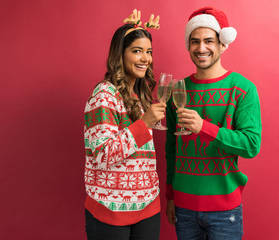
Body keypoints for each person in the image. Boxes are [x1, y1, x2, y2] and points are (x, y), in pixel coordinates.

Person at [165, 7, 262, 240]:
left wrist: (204, 128)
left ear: (222, 45)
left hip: (225, 211)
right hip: (183, 207)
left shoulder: (243, 89)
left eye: (209, 40)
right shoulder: (177, 90)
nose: (201, 48)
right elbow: (171, 150)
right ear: (188, 46)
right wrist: (170, 196)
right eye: (194, 41)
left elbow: (251, 145)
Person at [84, 9, 165, 240]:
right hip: (111, 209)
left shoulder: (139, 96)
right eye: (137, 51)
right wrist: (145, 123)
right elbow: (101, 155)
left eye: (148, 52)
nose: (145, 59)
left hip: (148, 207)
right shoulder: (104, 95)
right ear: (120, 54)